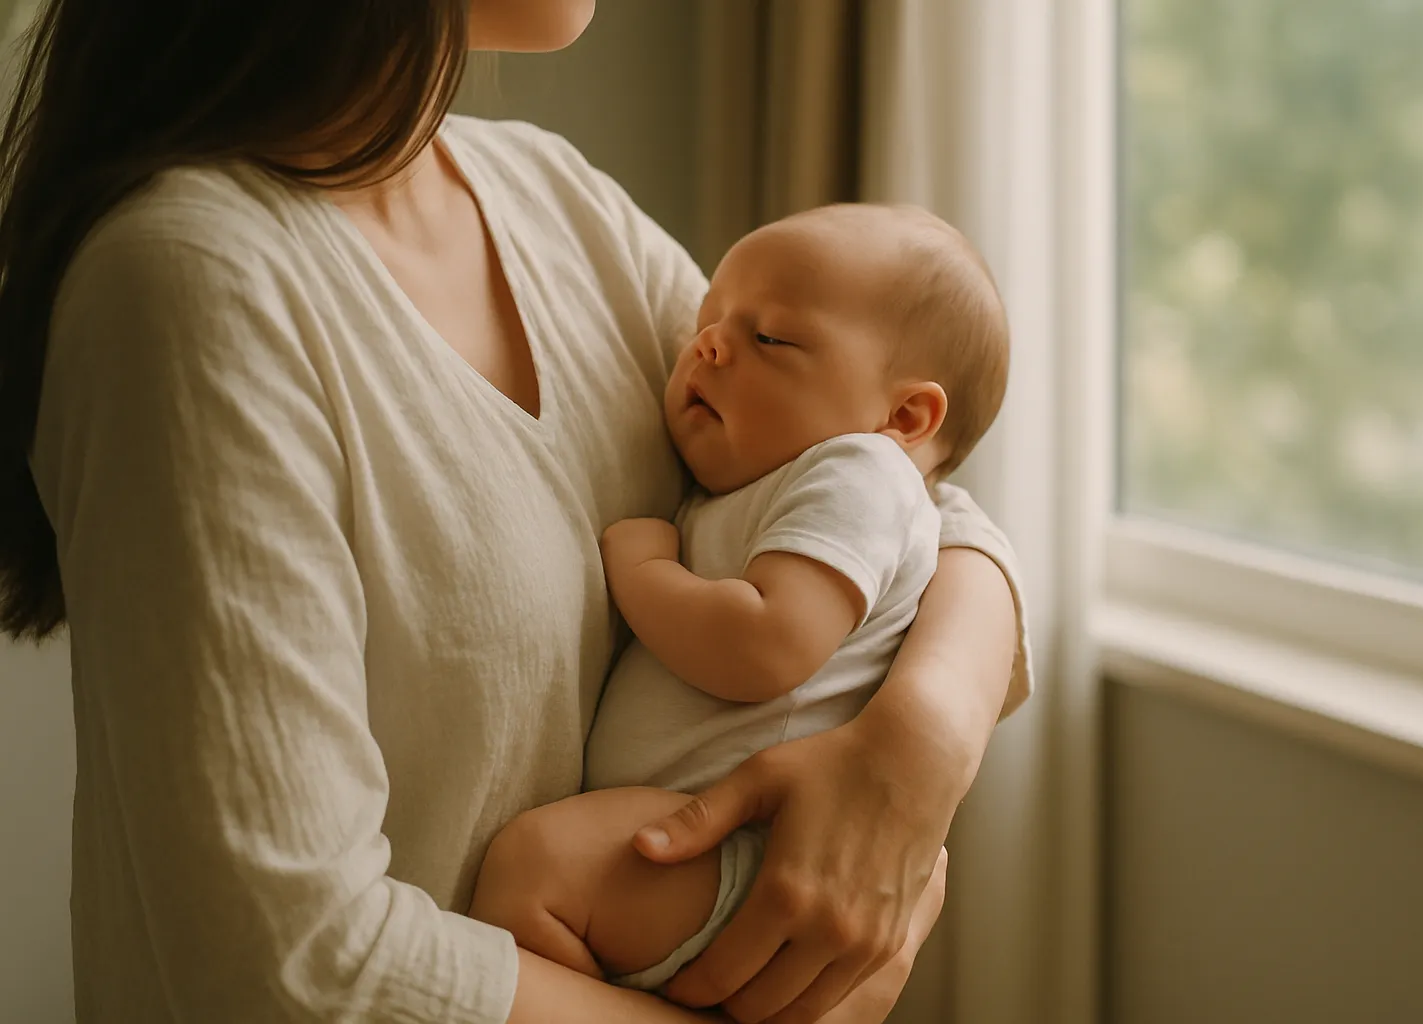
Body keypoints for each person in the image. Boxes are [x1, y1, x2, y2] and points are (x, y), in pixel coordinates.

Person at [0, 2, 1031, 1022]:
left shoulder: (553, 201)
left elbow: (907, 491)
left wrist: (914, 748)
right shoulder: (197, 283)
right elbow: (293, 967)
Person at [465, 202, 1014, 998]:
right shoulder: (773, 481)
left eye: (771, 339)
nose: (710, 345)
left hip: (754, 853)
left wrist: (644, 568)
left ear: (903, 417)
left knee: (530, 872)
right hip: (706, 844)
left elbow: (766, 646)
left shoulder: (859, 473)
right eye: (708, 322)